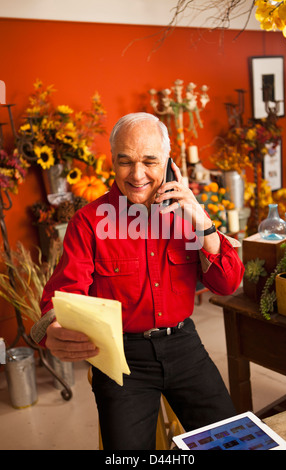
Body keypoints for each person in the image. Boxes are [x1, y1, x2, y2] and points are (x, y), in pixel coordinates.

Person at [32, 112, 244, 450]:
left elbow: (228, 283)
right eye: (125, 161)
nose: (138, 174)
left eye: (150, 161)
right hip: (121, 355)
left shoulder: (188, 215)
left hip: (184, 345)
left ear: (169, 163)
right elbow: (63, 295)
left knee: (232, 444)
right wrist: (54, 329)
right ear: (112, 162)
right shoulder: (87, 222)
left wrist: (202, 222)